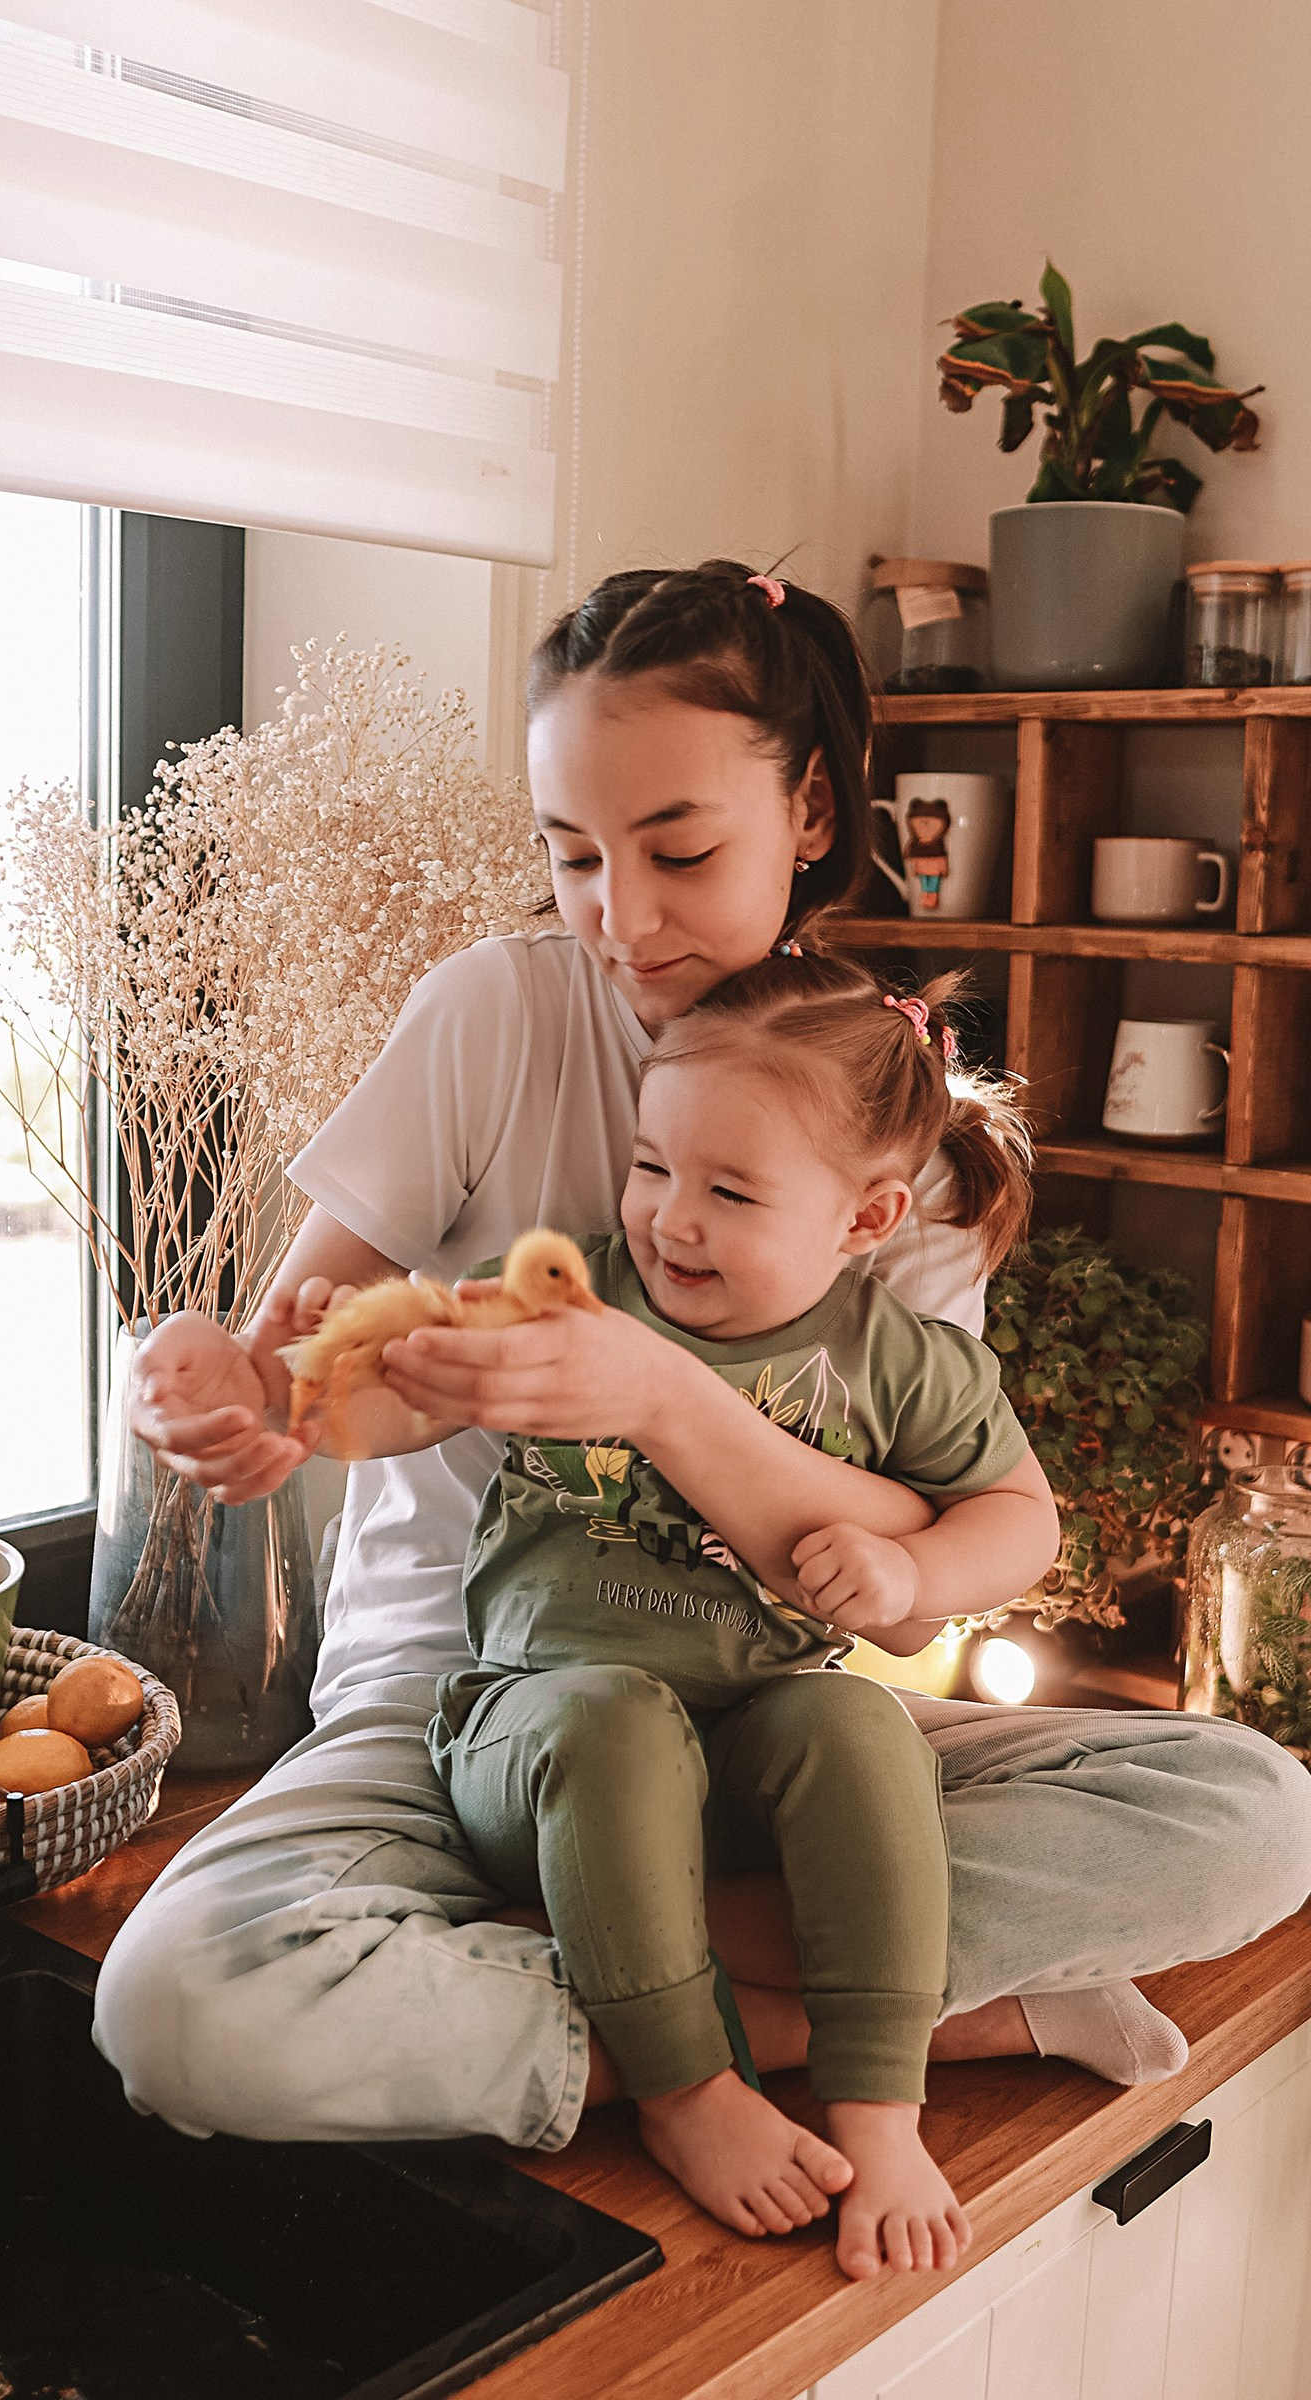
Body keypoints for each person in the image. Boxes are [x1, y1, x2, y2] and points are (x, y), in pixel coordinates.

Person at [94, 560, 1311, 2226]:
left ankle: (590, 1968)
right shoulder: (493, 1015)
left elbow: (921, 1560)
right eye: (572, 853)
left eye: (677, 852)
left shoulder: (891, 1138)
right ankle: (896, 2016)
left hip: (770, 1710)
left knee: (1254, 1812)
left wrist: (658, 1397)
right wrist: (210, 1386)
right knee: (177, 2008)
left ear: (810, 811)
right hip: (458, 1704)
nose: (621, 916)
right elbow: (303, 1358)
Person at [280, 949, 1056, 2276]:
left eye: (730, 1191)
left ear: (865, 1220)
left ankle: (880, 2105)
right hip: (540, 1738)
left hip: (747, 1746)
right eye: (651, 1167)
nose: (669, 1219)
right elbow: (400, 1407)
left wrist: (917, 1578)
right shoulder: (569, 1297)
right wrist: (351, 1361)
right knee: (616, 1719)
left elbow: (1021, 1519)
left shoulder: (896, 1361)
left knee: (859, 1728)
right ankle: (686, 2086)